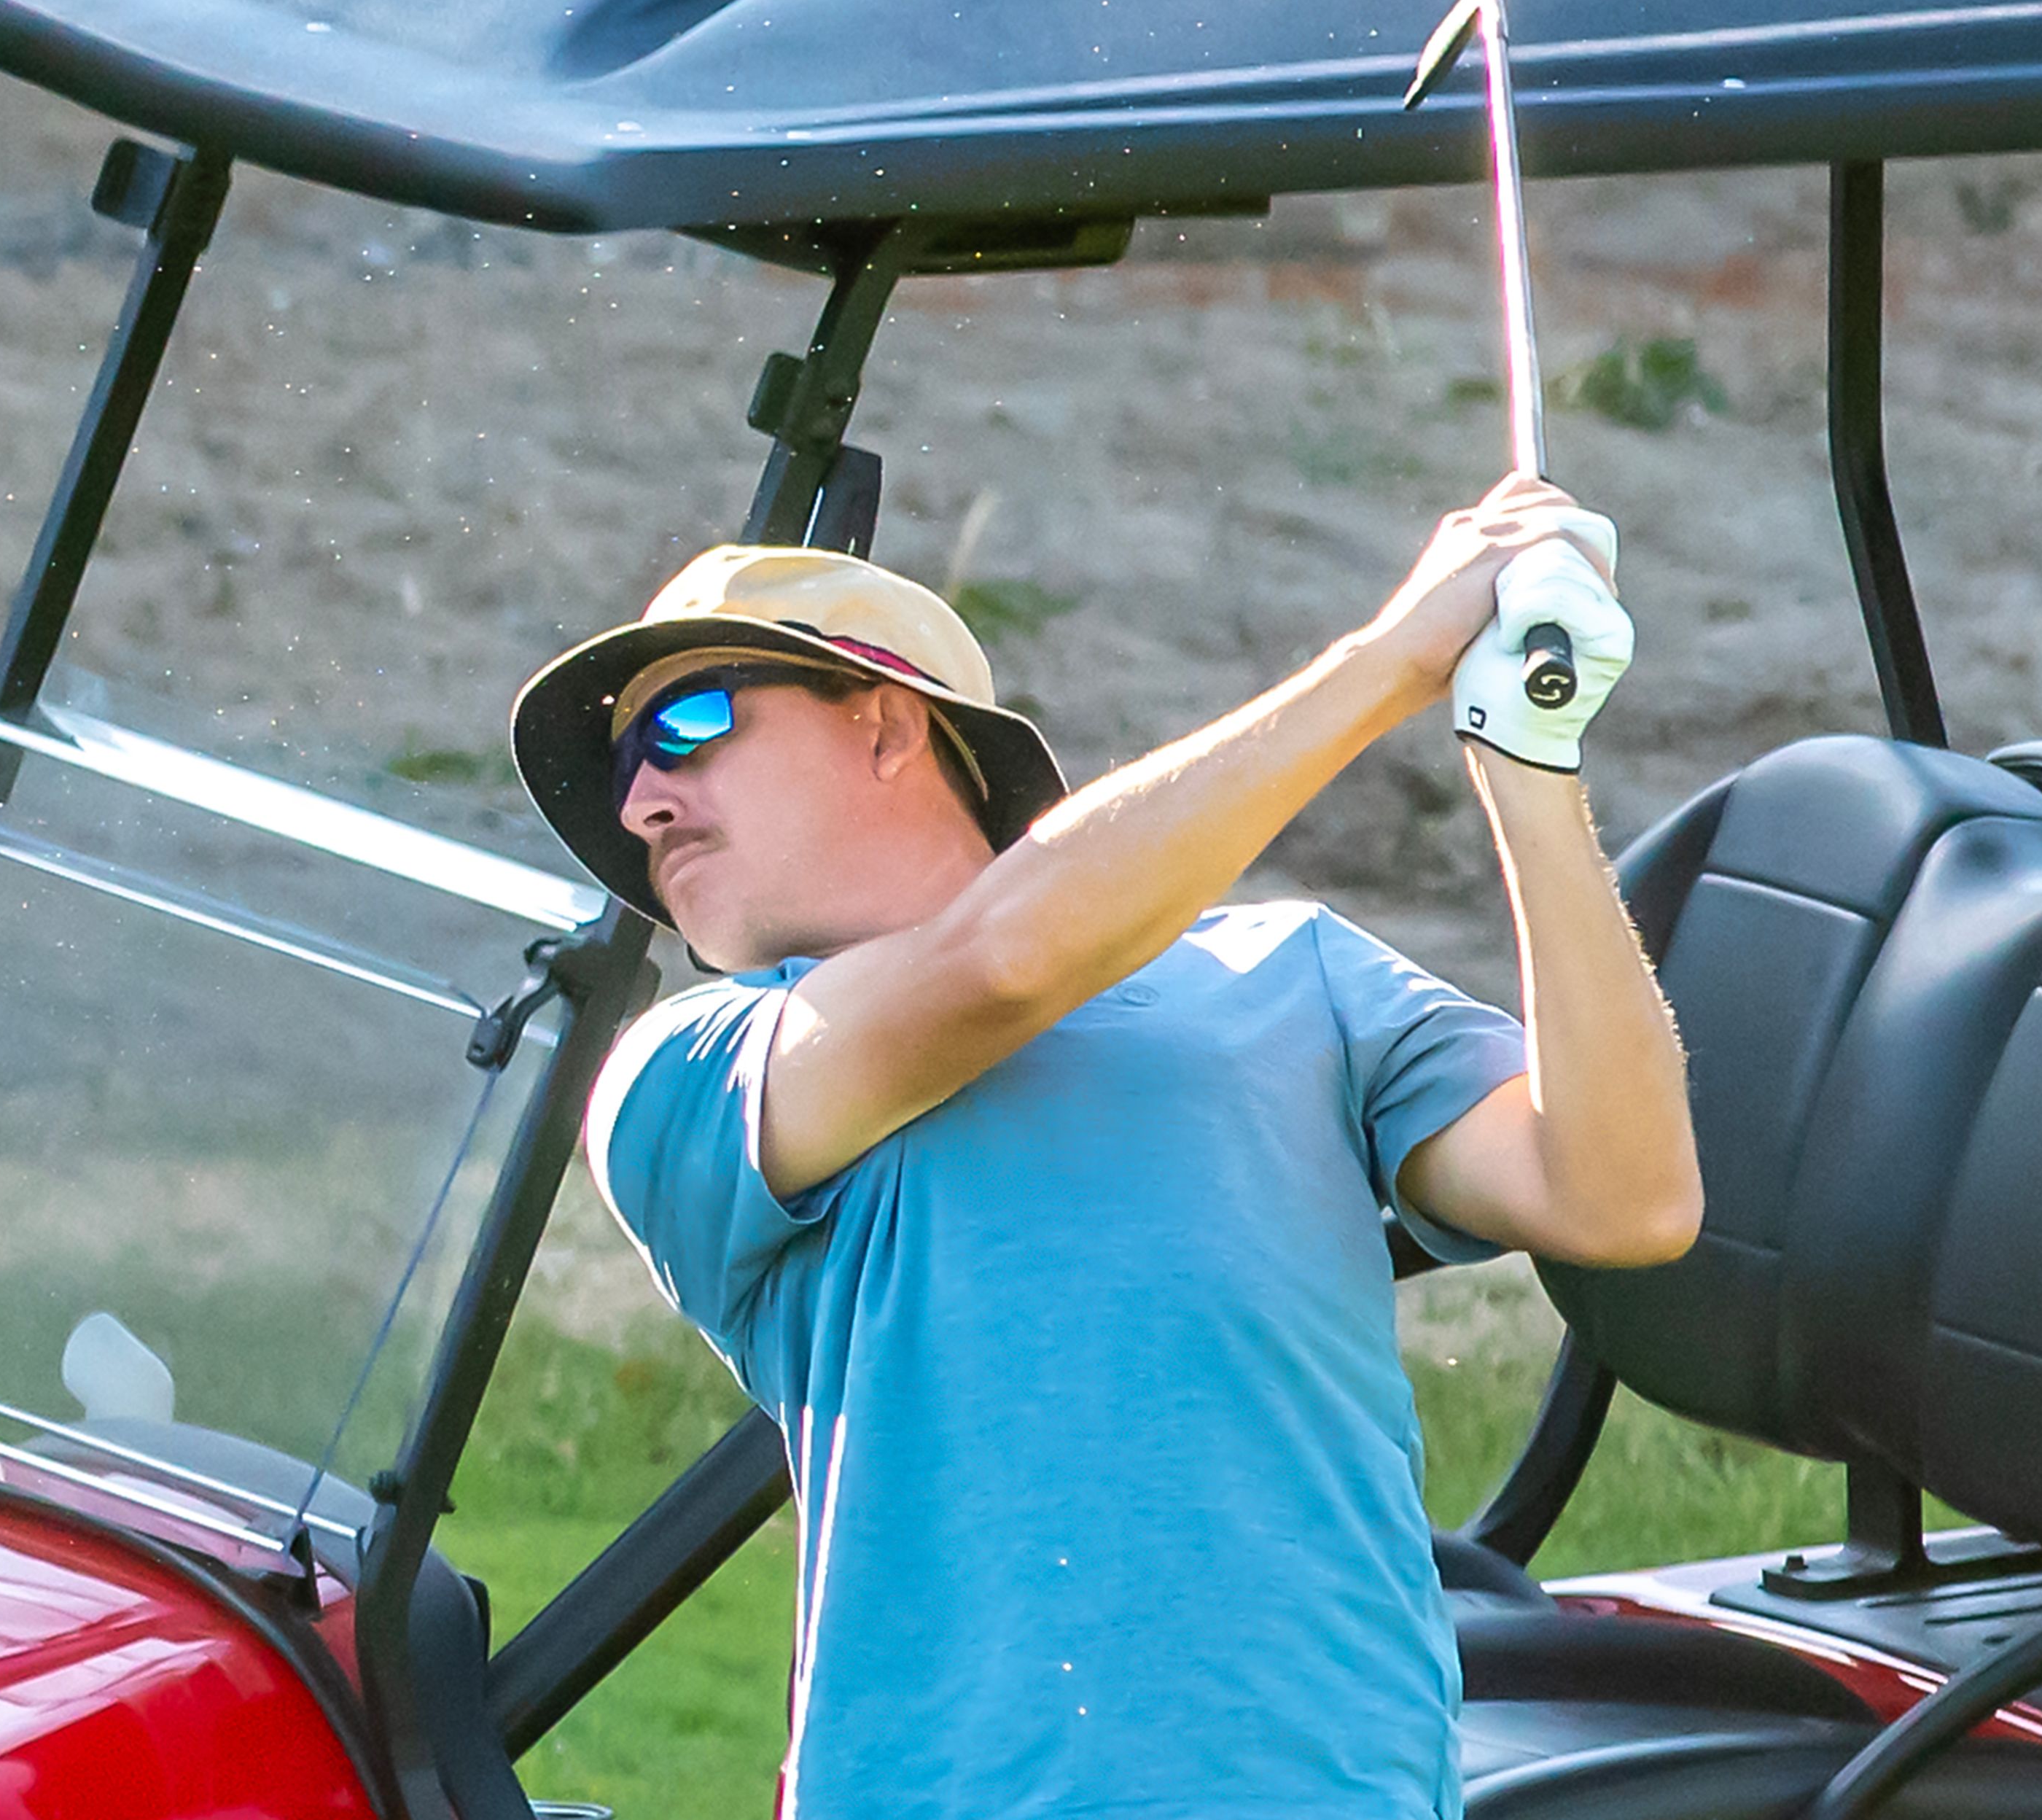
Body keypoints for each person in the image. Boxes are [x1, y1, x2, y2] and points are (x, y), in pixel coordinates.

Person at [506, 476, 1702, 1820]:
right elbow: (1005, 959)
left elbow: (1623, 1192)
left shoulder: (1299, 975)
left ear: (888, 724)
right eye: (623, 774)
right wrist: (1391, 661)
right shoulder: (687, 1072)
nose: (644, 802)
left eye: (687, 724)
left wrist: (1530, 771)